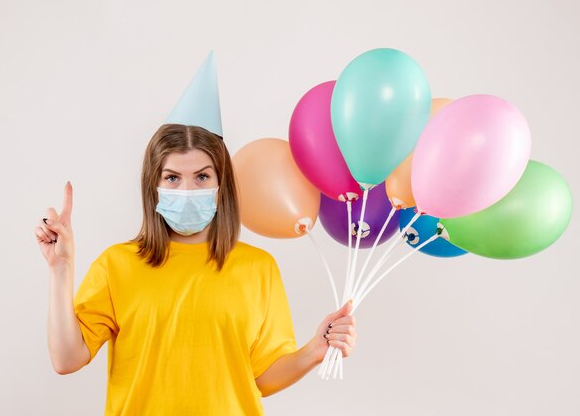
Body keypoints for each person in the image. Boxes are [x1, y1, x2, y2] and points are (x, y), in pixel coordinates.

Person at [35, 123, 357, 415]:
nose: (187, 190)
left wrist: (316, 350)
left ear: (221, 186)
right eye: (172, 177)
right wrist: (61, 268)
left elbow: (262, 378)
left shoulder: (258, 268)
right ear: (154, 185)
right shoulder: (117, 264)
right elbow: (66, 359)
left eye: (202, 176)